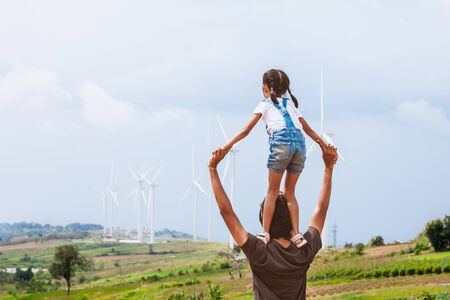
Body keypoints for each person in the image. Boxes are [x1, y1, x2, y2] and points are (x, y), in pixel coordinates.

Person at [209, 143, 338, 299]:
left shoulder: (258, 251)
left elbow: (226, 212)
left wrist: (213, 169)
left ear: (264, 218)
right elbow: (321, 210)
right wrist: (328, 167)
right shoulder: (304, 250)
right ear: (292, 219)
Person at [216, 69, 326, 247]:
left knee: (272, 192)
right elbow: (308, 130)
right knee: (290, 192)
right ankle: (296, 234)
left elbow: (245, 130)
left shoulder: (265, 104)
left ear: (264, 89)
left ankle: (265, 232)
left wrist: (226, 146)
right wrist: (324, 146)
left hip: (281, 143)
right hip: (300, 144)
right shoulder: (291, 105)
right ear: (285, 89)